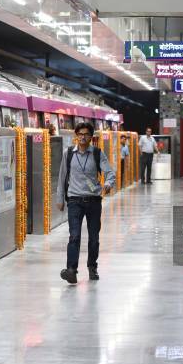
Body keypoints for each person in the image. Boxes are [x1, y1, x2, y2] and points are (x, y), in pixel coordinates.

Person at [57, 122, 116, 284]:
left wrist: (108, 184)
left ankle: (92, 267)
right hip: (74, 200)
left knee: (94, 237)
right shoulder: (68, 153)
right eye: (80, 134)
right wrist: (59, 198)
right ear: (76, 136)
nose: (83, 137)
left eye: (86, 134)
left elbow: (110, 172)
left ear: (91, 137)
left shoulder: (97, 153)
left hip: (93, 201)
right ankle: (71, 270)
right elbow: (62, 177)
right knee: (74, 236)